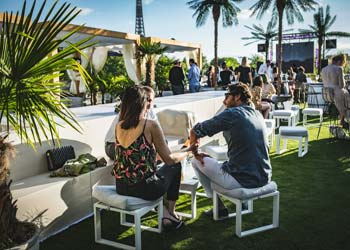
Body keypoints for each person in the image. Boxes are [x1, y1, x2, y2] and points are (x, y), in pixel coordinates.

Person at [187, 83, 272, 217]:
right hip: (264, 176)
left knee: (195, 161)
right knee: (234, 159)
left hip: (243, 180)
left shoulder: (232, 113)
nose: (223, 101)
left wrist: (196, 153)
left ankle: (219, 207)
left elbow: (196, 129)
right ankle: (239, 203)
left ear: (237, 96)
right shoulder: (256, 113)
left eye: (227, 96)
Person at [113, 86, 188, 229]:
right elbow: (170, 159)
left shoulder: (119, 125)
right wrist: (187, 152)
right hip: (145, 189)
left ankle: (167, 213)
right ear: (142, 103)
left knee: (162, 169)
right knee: (175, 166)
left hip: (121, 186)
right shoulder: (150, 125)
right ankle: (170, 213)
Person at [104, 86, 157, 160]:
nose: (147, 102)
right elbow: (129, 136)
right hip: (112, 145)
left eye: (150, 100)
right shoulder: (130, 112)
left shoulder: (151, 112)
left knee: (160, 145)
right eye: (145, 99)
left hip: (132, 144)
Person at [321, 54, 350, 128]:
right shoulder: (339, 69)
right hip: (336, 94)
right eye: (343, 63)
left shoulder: (323, 69)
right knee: (346, 95)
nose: (342, 65)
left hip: (326, 95)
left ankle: (342, 117)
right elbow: (342, 85)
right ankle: (343, 117)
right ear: (339, 61)